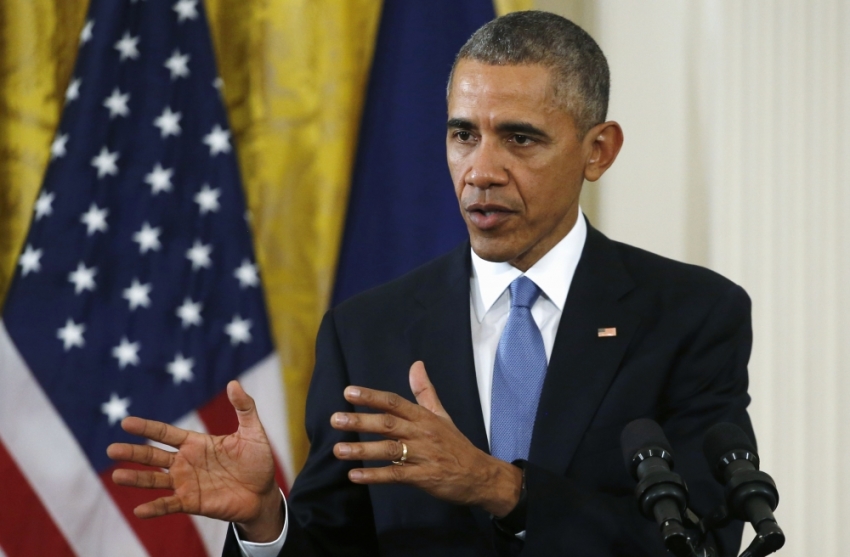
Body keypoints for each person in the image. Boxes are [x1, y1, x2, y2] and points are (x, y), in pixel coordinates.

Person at [108, 11, 754, 556]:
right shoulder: (367, 330)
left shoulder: (691, 313)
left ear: (598, 150)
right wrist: (263, 519)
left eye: (520, 139)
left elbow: (706, 537)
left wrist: (501, 487)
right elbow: (333, 543)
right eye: (462, 135)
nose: (481, 170)